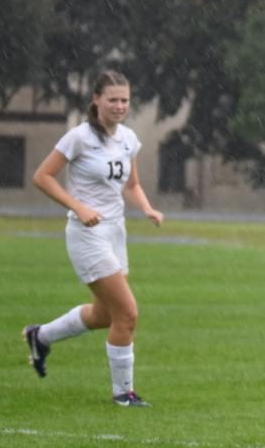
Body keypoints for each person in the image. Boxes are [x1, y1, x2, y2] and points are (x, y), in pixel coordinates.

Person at [22, 70, 163, 407]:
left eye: (125, 100)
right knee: (127, 313)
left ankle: (39, 336)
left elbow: (131, 185)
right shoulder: (80, 137)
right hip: (87, 235)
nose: (119, 106)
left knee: (105, 315)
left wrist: (147, 208)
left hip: (116, 233)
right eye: (112, 99)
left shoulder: (128, 138)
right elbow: (42, 177)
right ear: (96, 100)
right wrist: (78, 206)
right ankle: (124, 394)